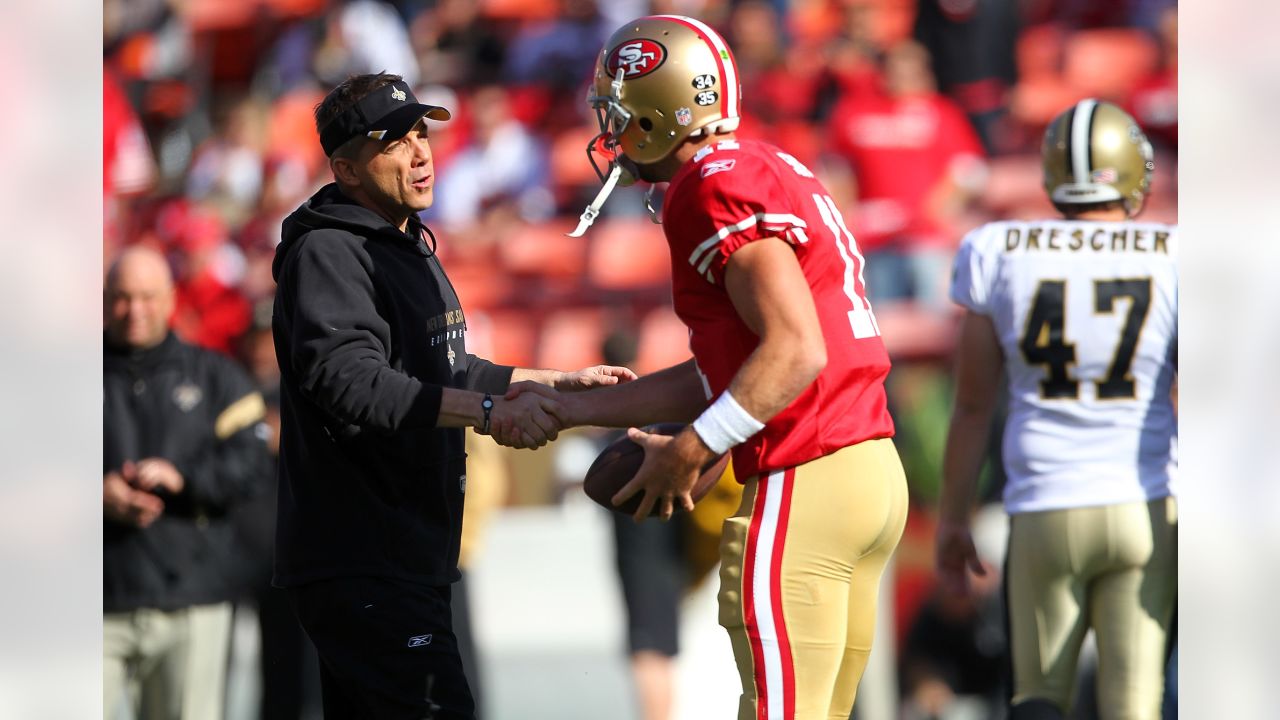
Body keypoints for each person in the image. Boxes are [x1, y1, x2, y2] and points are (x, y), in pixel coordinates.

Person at [522, 16, 910, 720]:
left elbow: (795, 351)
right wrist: (578, 409)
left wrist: (695, 448)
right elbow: (741, 366)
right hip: (868, 470)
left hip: (806, 477)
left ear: (663, 107)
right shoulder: (772, 165)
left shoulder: (712, 183)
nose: (612, 130)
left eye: (620, 110)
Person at [270, 72, 635, 719]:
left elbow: (444, 368)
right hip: (365, 558)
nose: (420, 152)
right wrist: (491, 413)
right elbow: (350, 381)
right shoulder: (330, 250)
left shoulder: (407, 243)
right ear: (346, 169)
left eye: (421, 133)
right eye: (395, 141)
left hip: (405, 556)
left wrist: (547, 381)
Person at [934, 99, 1177, 720]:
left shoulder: (998, 247)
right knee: (1137, 702)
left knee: (1039, 698)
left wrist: (954, 518)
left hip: (1045, 504)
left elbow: (971, 405)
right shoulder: (1174, 253)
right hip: (1143, 502)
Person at [104, 246, 272, 720]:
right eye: (121, 298)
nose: (135, 311)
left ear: (170, 299)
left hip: (192, 600)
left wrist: (184, 480)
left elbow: (250, 467)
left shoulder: (217, 377)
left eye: (146, 297)